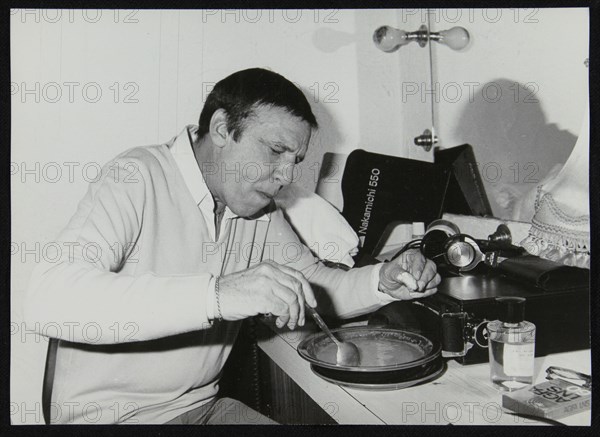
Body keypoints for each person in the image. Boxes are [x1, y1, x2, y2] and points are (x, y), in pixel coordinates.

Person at [25, 68, 440, 424]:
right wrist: (218, 294)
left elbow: (312, 284)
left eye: (294, 160)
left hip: (203, 408)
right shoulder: (137, 176)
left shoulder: (258, 207)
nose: (283, 176)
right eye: (276, 150)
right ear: (222, 128)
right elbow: (48, 297)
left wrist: (381, 283)